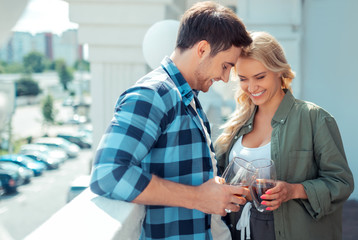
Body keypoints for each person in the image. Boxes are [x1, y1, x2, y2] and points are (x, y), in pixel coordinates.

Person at [89, 1, 253, 239]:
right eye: (225, 66)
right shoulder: (153, 94)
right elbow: (108, 174)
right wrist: (199, 197)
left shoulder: (187, 98)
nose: (226, 78)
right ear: (203, 49)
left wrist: (211, 185)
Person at [215, 31, 354, 240]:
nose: (251, 87)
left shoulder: (314, 118)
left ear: (279, 70)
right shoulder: (236, 125)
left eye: (260, 77)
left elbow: (342, 183)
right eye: (243, 79)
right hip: (239, 231)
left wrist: (294, 190)